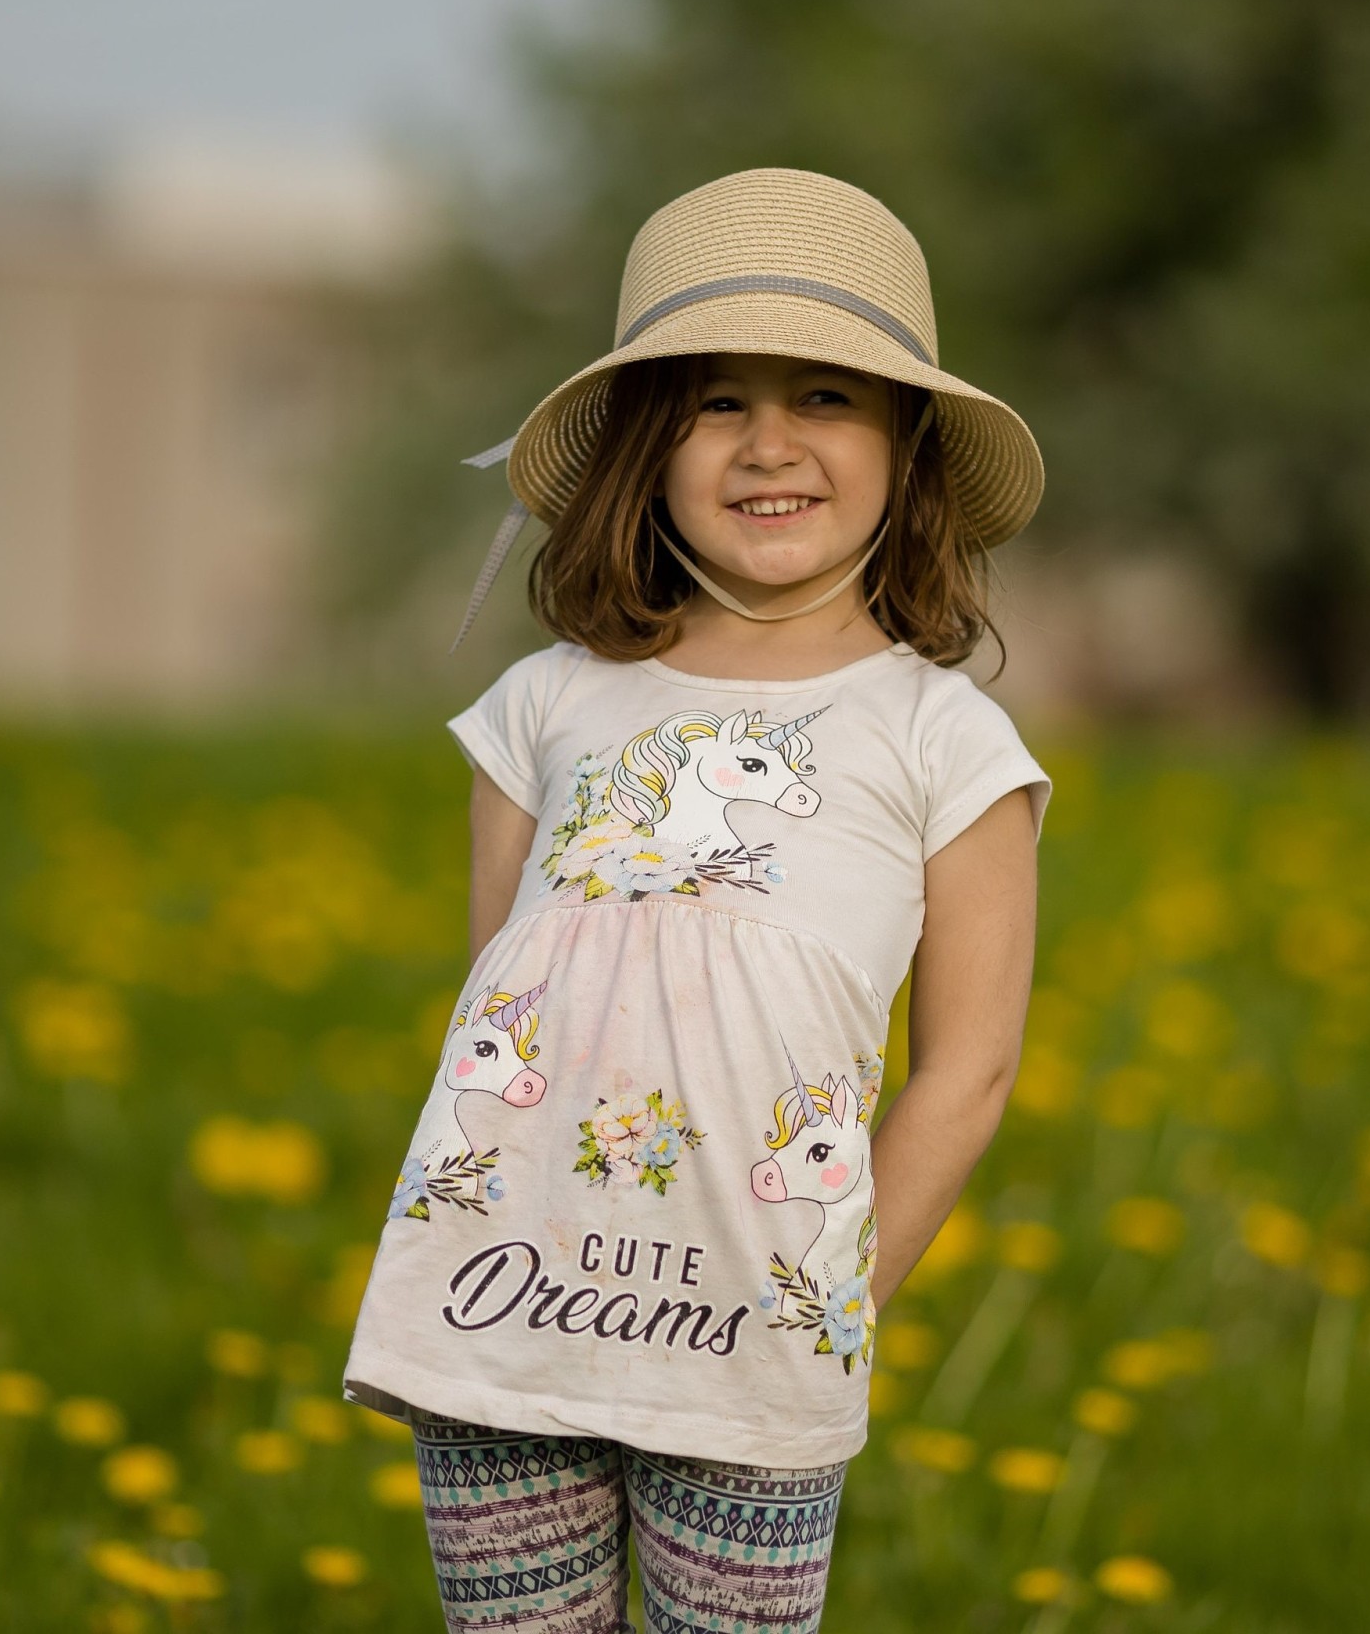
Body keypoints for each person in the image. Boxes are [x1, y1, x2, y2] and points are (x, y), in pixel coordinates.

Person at [343, 167, 1052, 1632]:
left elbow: (971, 1068)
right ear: (647, 448)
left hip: (750, 1324)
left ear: (909, 446)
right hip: (502, 1307)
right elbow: (500, 1000)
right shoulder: (543, 706)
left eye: (827, 399)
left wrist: (832, 1297)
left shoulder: (940, 737)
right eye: (718, 400)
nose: (770, 444)